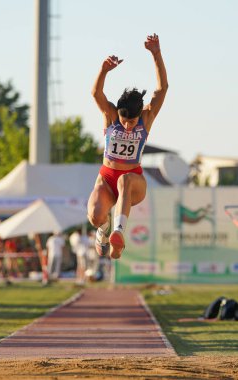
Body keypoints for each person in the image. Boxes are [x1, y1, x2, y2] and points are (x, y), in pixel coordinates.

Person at [87, 33, 168, 259]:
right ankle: (103, 230)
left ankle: (118, 234)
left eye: (131, 122)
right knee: (94, 215)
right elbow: (96, 93)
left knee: (124, 180)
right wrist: (103, 70)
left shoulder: (146, 117)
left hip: (133, 180)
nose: (128, 126)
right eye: (124, 121)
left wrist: (156, 54)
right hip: (106, 177)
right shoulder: (112, 116)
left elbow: (162, 89)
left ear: (139, 115)